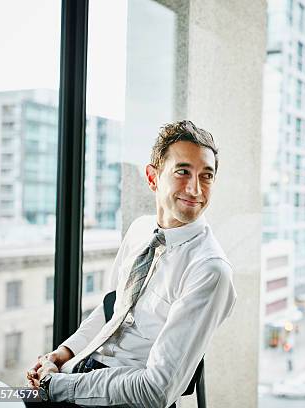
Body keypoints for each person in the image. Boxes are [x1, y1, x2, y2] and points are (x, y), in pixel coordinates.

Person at [25, 120, 237, 407]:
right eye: (183, 171)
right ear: (153, 178)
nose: (196, 189)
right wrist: (61, 355)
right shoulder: (140, 230)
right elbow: (111, 311)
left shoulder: (209, 270)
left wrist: (56, 385)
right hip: (78, 372)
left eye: (206, 176)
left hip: (125, 398)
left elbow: (156, 391)